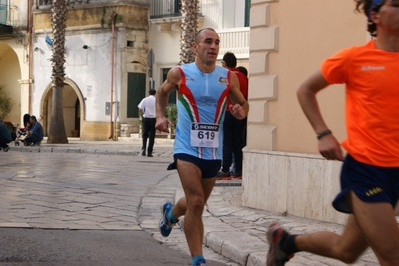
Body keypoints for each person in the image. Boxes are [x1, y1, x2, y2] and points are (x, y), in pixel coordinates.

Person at [266, 0, 399, 265]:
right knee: (393, 255)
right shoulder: (355, 58)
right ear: (375, 15)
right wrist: (322, 132)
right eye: (396, 4)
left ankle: (286, 242)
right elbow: (305, 90)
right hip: (367, 170)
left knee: (346, 251)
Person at [155, 28, 249, 266]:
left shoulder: (228, 77)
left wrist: (241, 112)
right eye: (208, 41)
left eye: (217, 42)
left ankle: (170, 214)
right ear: (195, 47)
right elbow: (161, 92)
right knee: (196, 201)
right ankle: (198, 259)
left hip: (213, 152)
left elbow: (243, 104)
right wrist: (159, 116)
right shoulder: (180, 73)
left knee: (195, 203)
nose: (213, 46)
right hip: (186, 148)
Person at [216, 53, 249, 180]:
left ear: (224, 63)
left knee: (227, 141)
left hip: (228, 110)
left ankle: (225, 169)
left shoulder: (225, 76)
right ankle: (239, 169)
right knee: (238, 141)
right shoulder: (243, 77)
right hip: (241, 112)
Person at [138, 89, 157, 157]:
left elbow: (140, 108)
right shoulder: (156, 100)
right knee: (152, 136)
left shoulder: (145, 99)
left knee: (145, 134)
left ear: (149, 93)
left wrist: (144, 113)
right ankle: (150, 152)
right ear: (155, 93)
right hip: (154, 118)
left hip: (146, 118)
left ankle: (143, 148)